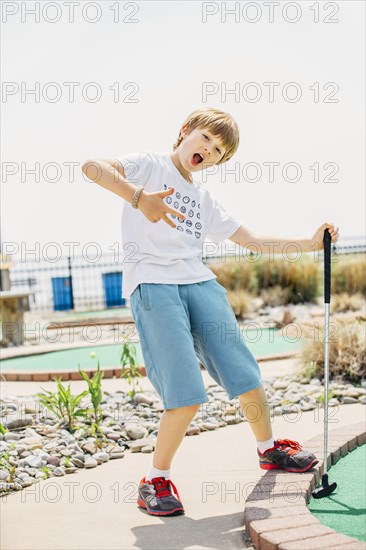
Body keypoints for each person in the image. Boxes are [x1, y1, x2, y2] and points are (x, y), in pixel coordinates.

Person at [82, 107, 340, 517]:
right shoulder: (149, 165)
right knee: (185, 394)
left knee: (246, 375)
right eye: (205, 138)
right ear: (185, 132)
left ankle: (268, 448)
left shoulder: (204, 199)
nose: (210, 150)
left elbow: (252, 239)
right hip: (153, 284)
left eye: (219, 150)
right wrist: (138, 198)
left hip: (199, 283)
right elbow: (93, 167)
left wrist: (309, 243)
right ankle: (155, 480)